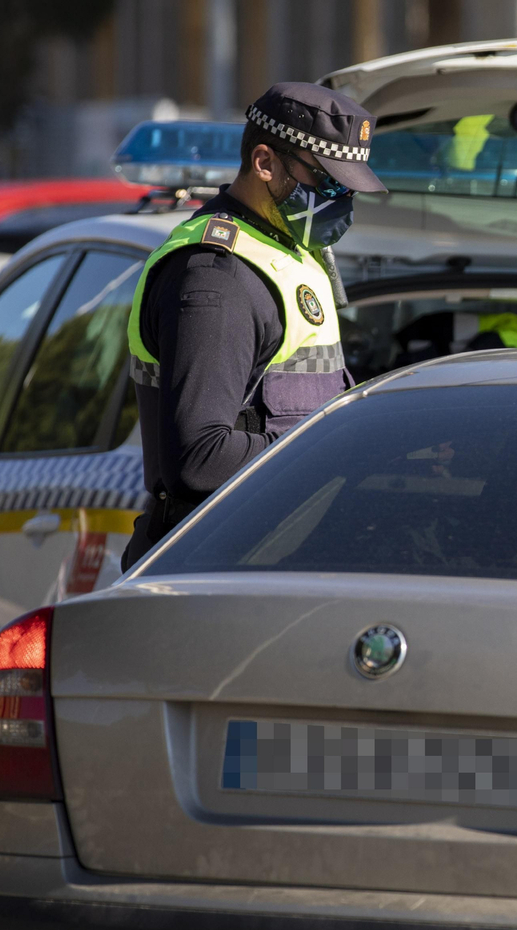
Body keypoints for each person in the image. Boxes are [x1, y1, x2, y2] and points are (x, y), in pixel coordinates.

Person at [121, 82, 385, 569]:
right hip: (218, 568)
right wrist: (341, 444)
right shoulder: (216, 279)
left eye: (349, 189)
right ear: (264, 163)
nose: (342, 199)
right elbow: (201, 460)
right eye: (329, 183)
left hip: (272, 556)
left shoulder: (286, 250)